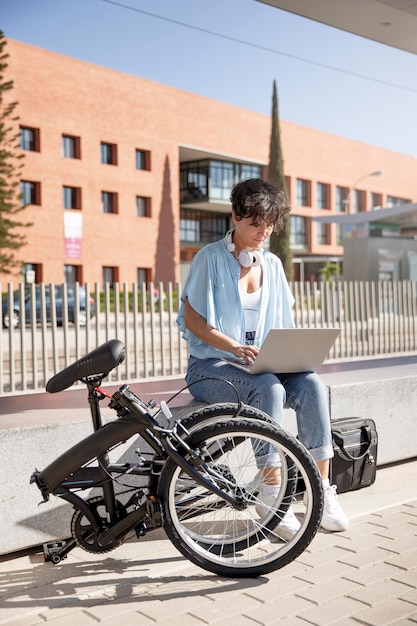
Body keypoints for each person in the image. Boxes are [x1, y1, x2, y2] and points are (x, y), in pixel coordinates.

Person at [177, 177, 348, 538]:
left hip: (260, 362)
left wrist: (289, 353)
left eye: (269, 224)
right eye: (255, 223)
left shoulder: (271, 264)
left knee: (313, 386)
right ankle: (272, 496)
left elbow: (285, 323)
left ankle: (320, 493)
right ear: (236, 216)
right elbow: (193, 320)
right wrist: (233, 347)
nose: (263, 232)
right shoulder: (209, 258)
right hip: (211, 366)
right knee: (268, 388)